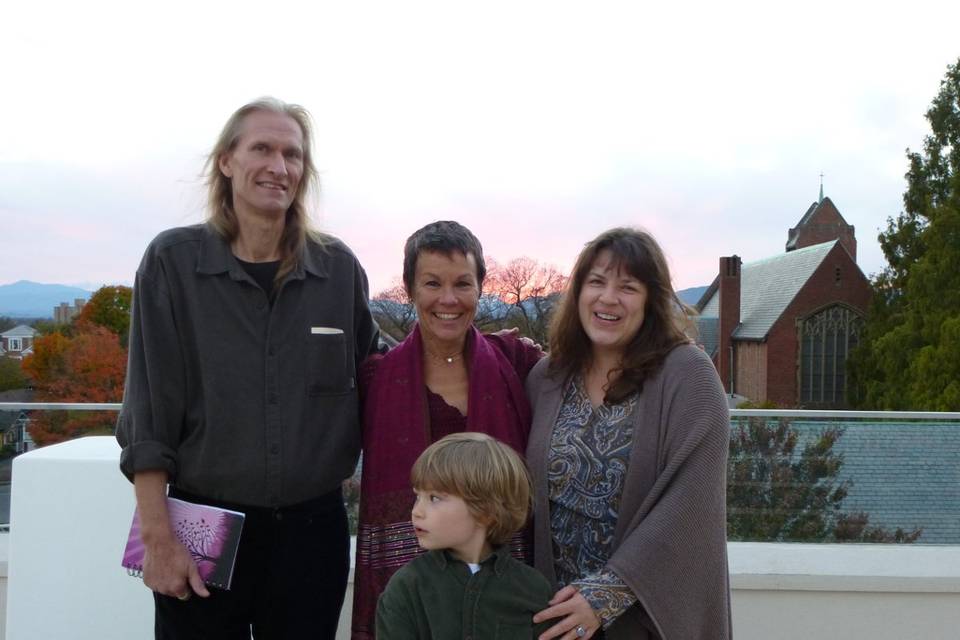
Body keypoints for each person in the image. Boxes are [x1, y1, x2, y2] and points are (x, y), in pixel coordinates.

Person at [116, 97, 380, 639]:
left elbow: (383, 366)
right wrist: (157, 537)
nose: (278, 167)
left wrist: (483, 346)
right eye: (261, 148)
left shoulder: (337, 269)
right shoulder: (173, 263)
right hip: (202, 522)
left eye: (292, 154)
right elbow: (149, 406)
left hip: (313, 531)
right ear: (227, 161)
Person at [525, 228, 731, 640]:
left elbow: (692, 503)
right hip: (556, 616)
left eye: (628, 287)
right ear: (578, 293)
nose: (608, 298)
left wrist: (604, 595)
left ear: (651, 301)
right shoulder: (548, 377)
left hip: (644, 616)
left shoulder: (688, 375)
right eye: (596, 282)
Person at [352, 221, 543, 638]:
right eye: (432, 283)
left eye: (463, 284)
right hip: (410, 596)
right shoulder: (376, 379)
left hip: (502, 584)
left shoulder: (516, 362)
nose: (448, 299)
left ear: (481, 287)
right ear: (410, 289)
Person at [375, 432, 554, 639]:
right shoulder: (407, 586)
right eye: (418, 496)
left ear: (486, 512)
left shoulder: (532, 588)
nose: (417, 511)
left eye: (434, 498)